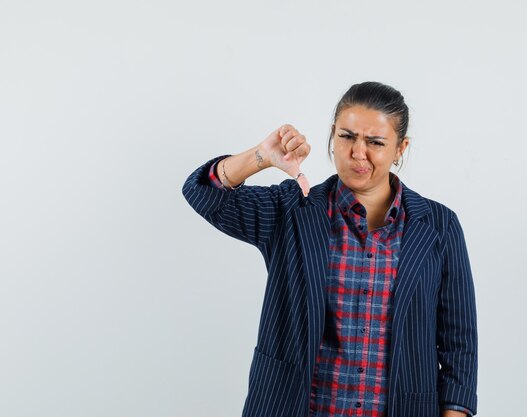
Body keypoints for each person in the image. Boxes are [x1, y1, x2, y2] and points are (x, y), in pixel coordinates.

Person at [181, 81, 478, 417]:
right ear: (332, 135)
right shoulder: (292, 210)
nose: (357, 153)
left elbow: (459, 344)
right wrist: (261, 156)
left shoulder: (439, 226)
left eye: (375, 142)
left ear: (400, 148)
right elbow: (203, 194)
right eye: (346, 136)